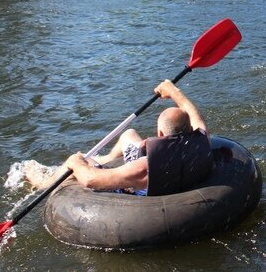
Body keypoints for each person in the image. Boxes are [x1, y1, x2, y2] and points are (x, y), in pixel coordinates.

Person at [25, 80, 213, 196]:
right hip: (182, 172)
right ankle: (106, 158)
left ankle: (42, 184)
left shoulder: (144, 167)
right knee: (128, 134)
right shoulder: (201, 141)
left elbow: (90, 180)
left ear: (161, 134)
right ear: (190, 129)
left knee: (81, 163)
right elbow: (194, 115)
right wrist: (173, 91)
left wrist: (76, 163)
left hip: (143, 188)